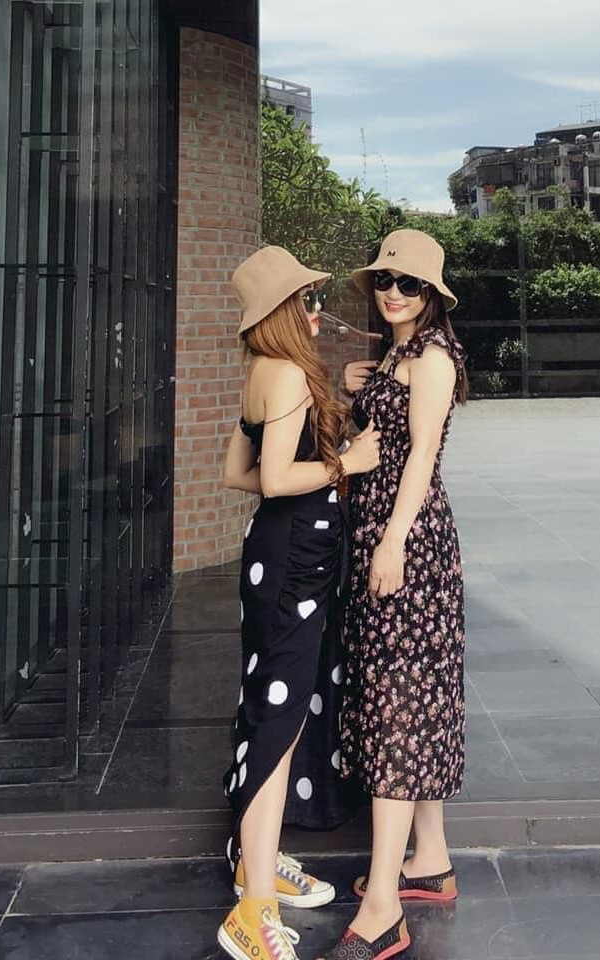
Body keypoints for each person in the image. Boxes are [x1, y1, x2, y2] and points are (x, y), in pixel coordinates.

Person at [217, 246, 381, 960]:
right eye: (306, 301)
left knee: (272, 712)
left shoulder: (267, 372)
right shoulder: (283, 374)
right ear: (281, 311)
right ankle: (251, 912)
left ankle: (253, 865)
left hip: (281, 560)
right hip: (292, 568)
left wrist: (333, 401)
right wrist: (350, 462)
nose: (316, 310)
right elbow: (278, 478)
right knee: (278, 724)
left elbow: (237, 472)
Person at [323, 230, 469, 960]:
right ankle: (429, 859)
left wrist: (392, 542)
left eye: (409, 284)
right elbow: (384, 432)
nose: (393, 292)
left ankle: (383, 906)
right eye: (385, 279)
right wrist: (361, 388)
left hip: (407, 542)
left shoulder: (433, 357)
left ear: (432, 295)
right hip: (385, 534)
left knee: (397, 705)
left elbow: (421, 455)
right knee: (410, 694)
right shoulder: (396, 354)